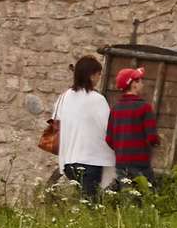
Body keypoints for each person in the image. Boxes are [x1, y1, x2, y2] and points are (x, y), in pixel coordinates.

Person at [54, 54, 114, 201]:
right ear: (91, 75)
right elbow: (109, 128)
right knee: (90, 204)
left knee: (83, 200)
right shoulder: (97, 100)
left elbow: (57, 121)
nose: (99, 78)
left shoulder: (64, 97)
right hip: (91, 159)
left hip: (69, 160)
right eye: (98, 74)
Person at [108, 65, 158, 190]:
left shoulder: (115, 109)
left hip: (121, 163)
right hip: (140, 162)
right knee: (148, 195)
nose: (142, 84)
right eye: (140, 81)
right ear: (134, 84)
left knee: (128, 196)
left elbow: (109, 139)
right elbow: (152, 137)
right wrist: (156, 143)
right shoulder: (144, 107)